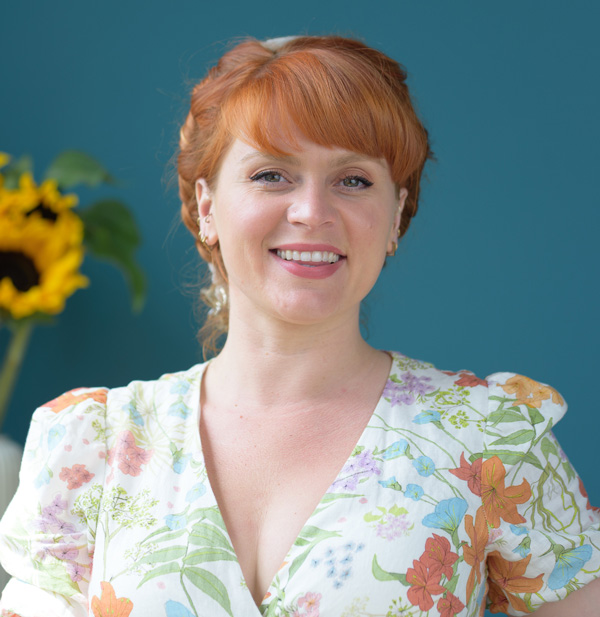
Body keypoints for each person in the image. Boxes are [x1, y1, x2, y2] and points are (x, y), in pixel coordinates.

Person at [0, 34, 599, 617]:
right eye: (271, 175)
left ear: (396, 213)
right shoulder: (91, 447)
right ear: (207, 206)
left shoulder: (491, 441)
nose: (312, 211)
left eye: (354, 180)